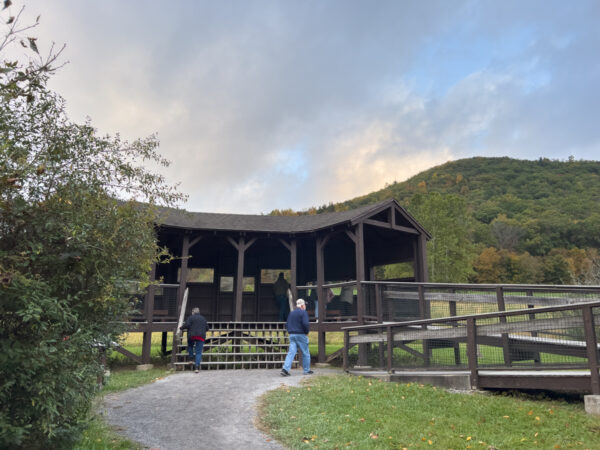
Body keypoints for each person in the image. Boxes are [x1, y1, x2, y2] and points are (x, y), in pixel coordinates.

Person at [280, 298, 313, 376]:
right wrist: (306, 332)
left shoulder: (291, 313)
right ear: (302, 306)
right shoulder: (303, 313)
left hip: (292, 335)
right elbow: (305, 324)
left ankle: (285, 369)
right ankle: (307, 370)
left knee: (291, 353)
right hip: (301, 334)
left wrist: (290, 331)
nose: (305, 306)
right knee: (306, 353)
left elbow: (287, 324)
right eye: (304, 305)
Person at [179, 307, 210, 373]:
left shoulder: (191, 317)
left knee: (190, 346)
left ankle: (190, 358)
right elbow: (207, 328)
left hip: (192, 336)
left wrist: (181, 328)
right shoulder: (203, 318)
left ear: (193, 312)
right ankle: (196, 367)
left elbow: (186, 325)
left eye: (192, 312)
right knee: (198, 352)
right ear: (199, 312)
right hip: (201, 336)